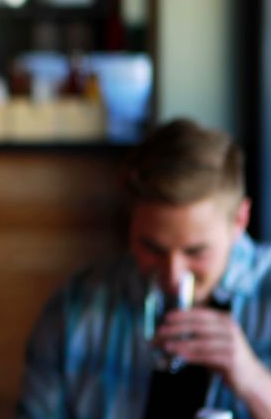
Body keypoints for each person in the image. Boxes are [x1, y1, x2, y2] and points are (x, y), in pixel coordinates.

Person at [18, 118, 271, 419]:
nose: (174, 276)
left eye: (196, 251)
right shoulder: (75, 308)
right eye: (153, 248)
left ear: (239, 221)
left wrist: (254, 381)